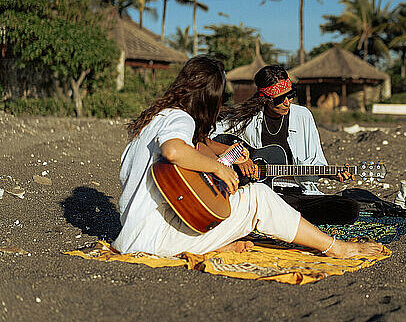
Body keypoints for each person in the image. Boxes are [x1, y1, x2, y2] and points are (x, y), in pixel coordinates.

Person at [112, 57, 382, 258]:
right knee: (258, 197)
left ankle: (216, 243)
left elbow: (198, 144)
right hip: (158, 241)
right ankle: (337, 248)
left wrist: (230, 156)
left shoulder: (156, 119)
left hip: (132, 237)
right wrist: (219, 170)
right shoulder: (181, 118)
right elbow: (174, 150)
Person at [215, 65, 360, 225]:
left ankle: (277, 220)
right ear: (265, 98)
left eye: (290, 95)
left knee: (349, 207)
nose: (287, 102)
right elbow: (210, 138)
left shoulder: (303, 116)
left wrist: (331, 173)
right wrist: (237, 156)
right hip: (260, 194)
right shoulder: (246, 118)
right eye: (279, 99)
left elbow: (316, 161)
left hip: (297, 194)